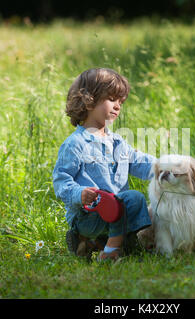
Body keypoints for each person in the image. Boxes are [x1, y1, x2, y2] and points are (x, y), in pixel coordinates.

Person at [52, 68, 156, 261]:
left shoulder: (117, 142)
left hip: (116, 213)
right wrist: (79, 194)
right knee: (132, 198)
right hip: (88, 216)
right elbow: (60, 181)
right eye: (111, 99)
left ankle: (91, 243)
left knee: (133, 201)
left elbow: (138, 161)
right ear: (88, 99)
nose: (117, 106)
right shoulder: (76, 144)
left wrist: (165, 167)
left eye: (120, 102)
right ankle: (110, 252)